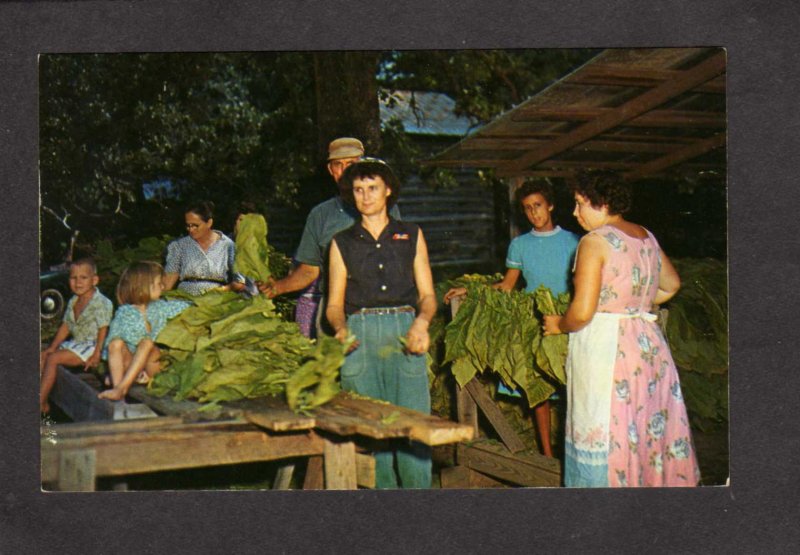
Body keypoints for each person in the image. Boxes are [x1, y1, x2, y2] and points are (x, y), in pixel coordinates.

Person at [543, 171, 700, 487]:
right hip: (646, 345)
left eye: (579, 204)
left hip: (607, 349)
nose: (574, 213)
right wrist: (632, 304)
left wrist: (558, 324)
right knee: (643, 426)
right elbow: (671, 285)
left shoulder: (594, 242)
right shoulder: (645, 235)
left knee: (605, 425)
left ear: (600, 202)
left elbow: (583, 312)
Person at [444, 181, 579, 458]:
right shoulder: (520, 245)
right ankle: (546, 454)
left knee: (572, 387)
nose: (534, 213)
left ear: (550, 205)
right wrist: (470, 290)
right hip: (532, 319)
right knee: (537, 388)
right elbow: (507, 285)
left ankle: (574, 450)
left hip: (565, 317)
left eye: (538, 206)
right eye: (527, 209)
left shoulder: (574, 242)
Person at [327, 158, 436, 489]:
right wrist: (341, 330)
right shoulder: (341, 243)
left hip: (405, 333)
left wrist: (422, 322)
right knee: (374, 440)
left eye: (372, 188)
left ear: (388, 190)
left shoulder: (412, 235)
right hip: (361, 336)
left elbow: (428, 295)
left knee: (414, 433)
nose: (365, 196)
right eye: (358, 190)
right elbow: (333, 305)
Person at [258, 137, 400, 338]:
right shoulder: (320, 215)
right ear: (330, 170)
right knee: (331, 367)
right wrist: (278, 286)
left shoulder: (386, 207)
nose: (344, 172)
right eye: (338, 165)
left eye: (351, 164)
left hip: (376, 309)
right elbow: (309, 270)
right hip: (333, 310)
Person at [99, 261, 191, 401]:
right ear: (144, 287)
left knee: (147, 342)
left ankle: (121, 386)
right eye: (159, 283)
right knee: (115, 342)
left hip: (152, 366)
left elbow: (186, 306)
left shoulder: (161, 307)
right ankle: (118, 388)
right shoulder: (124, 313)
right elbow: (111, 349)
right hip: (132, 365)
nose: (163, 286)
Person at [39, 258, 113, 413]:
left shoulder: (101, 302)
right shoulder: (74, 300)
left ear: (95, 280)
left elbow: (103, 330)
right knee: (44, 356)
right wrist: (52, 347)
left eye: (83, 278)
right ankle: (42, 396)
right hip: (76, 343)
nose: (78, 282)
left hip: (92, 346)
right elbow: (66, 326)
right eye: (73, 278)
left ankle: (41, 402)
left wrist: (96, 354)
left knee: (53, 359)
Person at [163, 201, 237, 295]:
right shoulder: (179, 246)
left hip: (216, 297)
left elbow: (239, 282)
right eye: (188, 225)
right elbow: (169, 279)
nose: (191, 229)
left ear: (209, 223)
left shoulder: (228, 246)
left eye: (195, 225)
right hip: (184, 296)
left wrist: (220, 290)